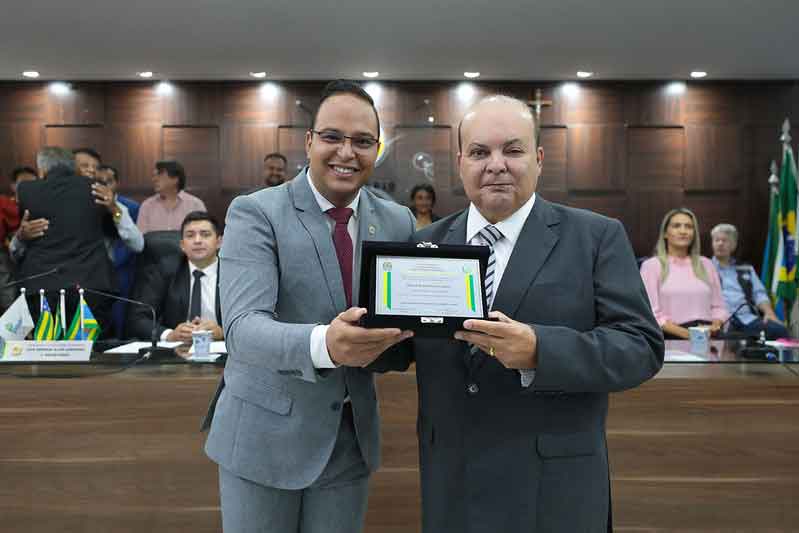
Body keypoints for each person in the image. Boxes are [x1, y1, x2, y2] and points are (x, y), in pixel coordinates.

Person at [386, 95, 663, 532]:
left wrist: (540, 350)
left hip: (554, 490)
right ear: (460, 163)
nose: (495, 164)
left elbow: (641, 348)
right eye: (479, 152)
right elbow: (401, 346)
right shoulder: (426, 245)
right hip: (453, 486)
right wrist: (361, 334)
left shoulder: (595, 237)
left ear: (538, 158)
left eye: (512, 150)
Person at [203, 80, 416, 533]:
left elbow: (401, 325)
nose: (346, 152)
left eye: (362, 141)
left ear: (376, 150)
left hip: (349, 439)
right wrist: (327, 345)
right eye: (332, 137)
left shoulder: (397, 220)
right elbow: (242, 329)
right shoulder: (256, 212)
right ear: (309, 142)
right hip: (264, 436)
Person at [15, 147, 118, 334]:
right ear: (73, 167)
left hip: (41, 287)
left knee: (44, 354)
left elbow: (26, 233)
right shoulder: (96, 188)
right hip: (91, 286)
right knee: (90, 355)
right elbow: (112, 230)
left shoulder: (27, 191)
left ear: (42, 170)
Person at [128, 211, 223, 342]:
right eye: (190, 236)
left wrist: (223, 332)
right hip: (175, 354)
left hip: (224, 351)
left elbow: (253, 317)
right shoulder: (165, 269)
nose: (197, 240)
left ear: (219, 242)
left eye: (205, 235)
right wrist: (169, 335)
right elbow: (138, 318)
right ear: (182, 245)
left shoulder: (234, 274)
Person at [640, 208, 728, 339]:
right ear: (665, 233)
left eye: (689, 227)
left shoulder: (707, 264)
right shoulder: (652, 266)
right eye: (676, 226)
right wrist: (688, 335)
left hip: (708, 336)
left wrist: (716, 324)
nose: (683, 231)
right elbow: (650, 313)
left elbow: (719, 307)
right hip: (670, 336)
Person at [711, 223, 789, 339]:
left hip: (747, 318)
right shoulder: (705, 267)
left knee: (780, 331)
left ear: (733, 245)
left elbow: (759, 294)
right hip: (720, 320)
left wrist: (769, 313)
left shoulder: (746, 268)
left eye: (725, 240)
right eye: (717, 240)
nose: (720, 244)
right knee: (730, 339)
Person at [97, 164, 143, 337]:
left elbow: (136, 242)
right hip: (96, 271)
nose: (105, 186)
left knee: (122, 318)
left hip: (123, 269)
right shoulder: (87, 205)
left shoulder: (129, 206)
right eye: (100, 182)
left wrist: (114, 210)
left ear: (116, 183)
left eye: (109, 182)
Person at [137, 160, 206, 233]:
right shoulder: (147, 206)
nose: (154, 179)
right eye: (154, 176)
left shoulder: (195, 205)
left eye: (159, 175)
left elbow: (204, 235)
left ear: (175, 179)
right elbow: (140, 240)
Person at [0, 167, 33, 311]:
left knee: (9, 297)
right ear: (13, 185)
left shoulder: (5, 203)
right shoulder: (5, 202)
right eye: (23, 183)